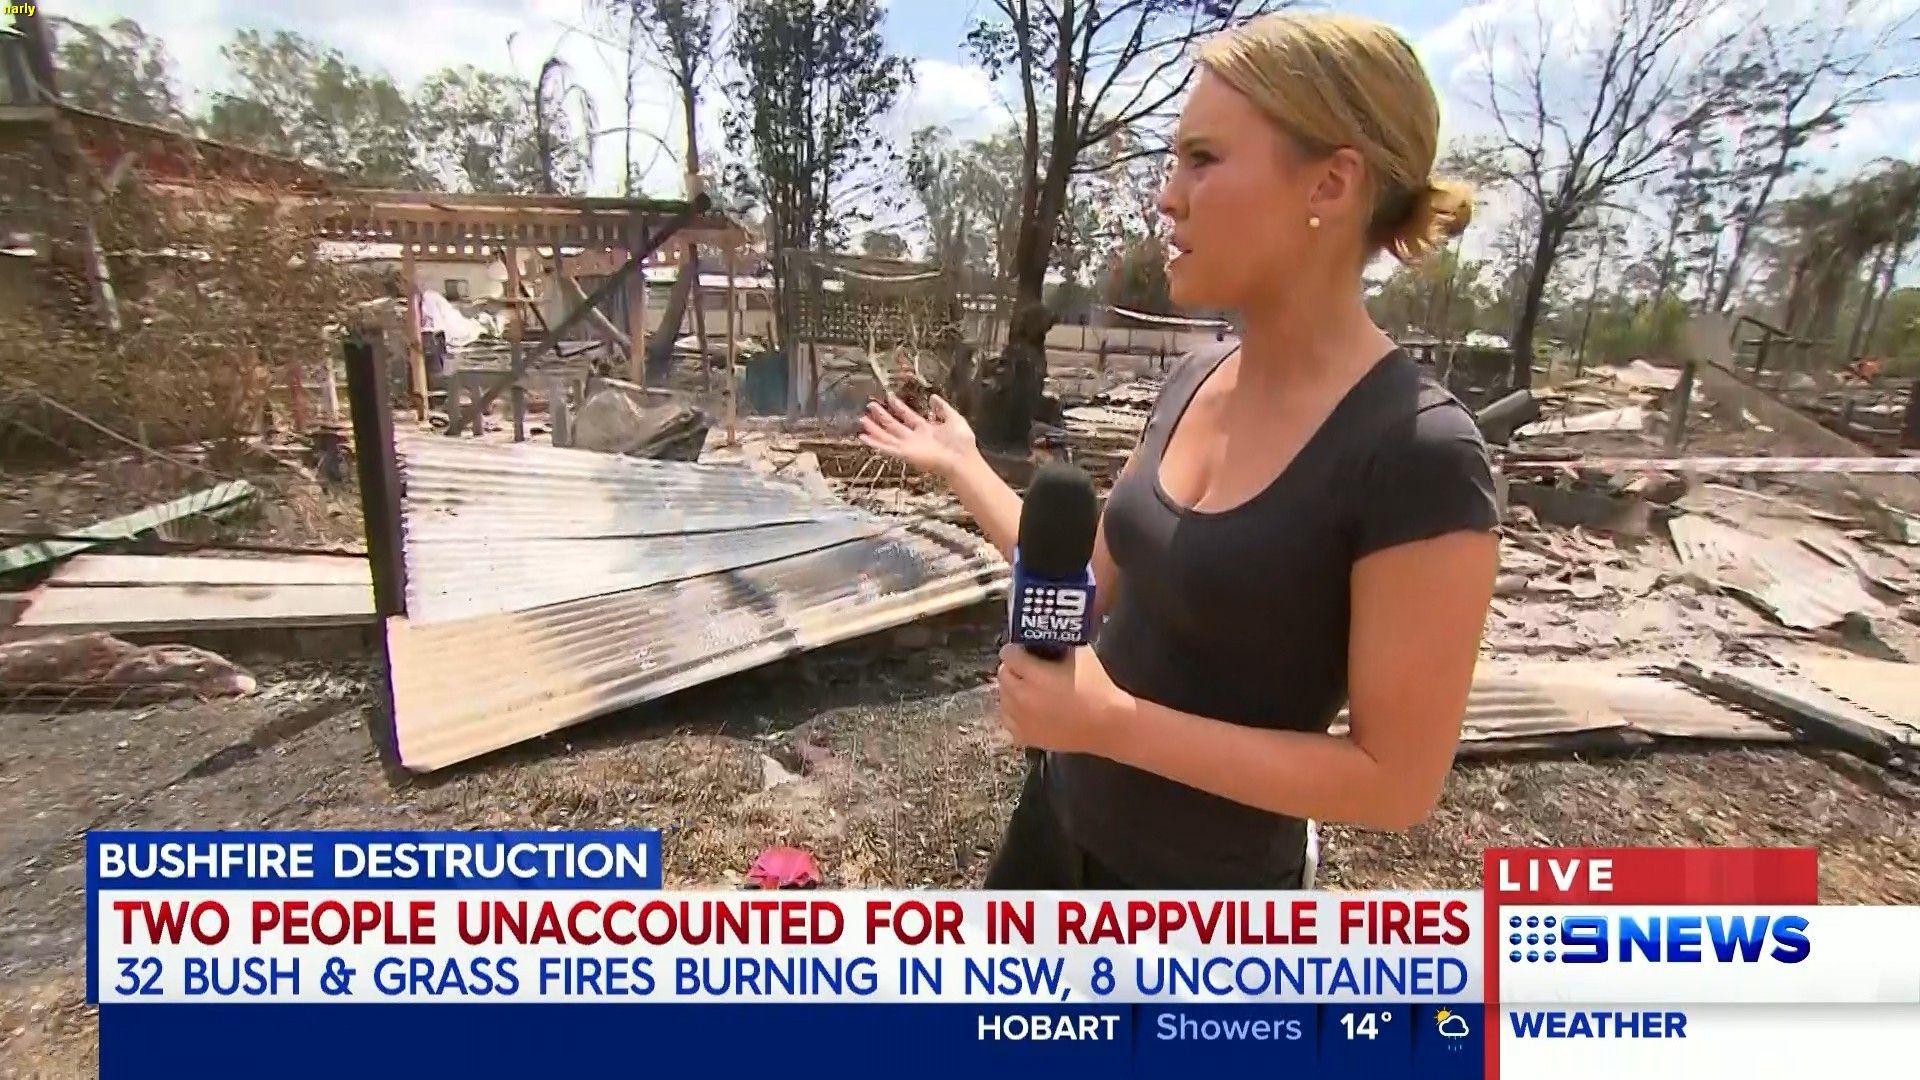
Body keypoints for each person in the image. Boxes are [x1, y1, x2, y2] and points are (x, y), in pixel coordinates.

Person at [859, 12, 1499, 889]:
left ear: (1331, 183)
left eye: (1203, 159)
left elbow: (1396, 783)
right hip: (1051, 829)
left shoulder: (1421, 454)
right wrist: (964, 463)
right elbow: (1083, 587)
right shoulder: (1194, 379)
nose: (1169, 196)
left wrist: (1113, 724)